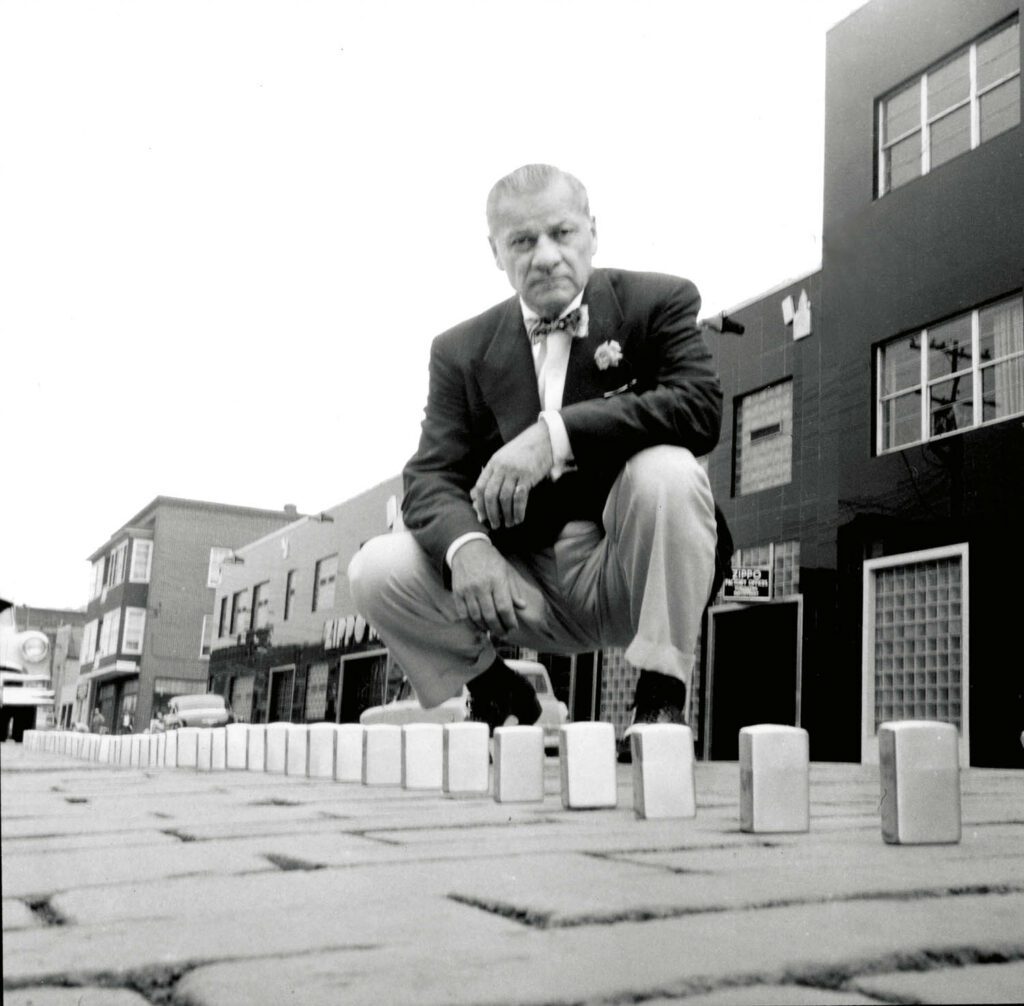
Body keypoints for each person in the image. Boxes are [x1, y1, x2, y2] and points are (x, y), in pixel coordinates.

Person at [349, 163, 726, 749]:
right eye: (522, 241)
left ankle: (660, 698)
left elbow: (698, 409)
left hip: (625, 569)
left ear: (592, 232)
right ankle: (496, 687)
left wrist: (555, 433)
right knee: (377, 567)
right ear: (495, 252)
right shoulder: (459, 350)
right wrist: (468, 548)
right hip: (516, 584)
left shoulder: (658, 301)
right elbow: (429, 475)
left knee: (669, 470)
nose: (546, 255)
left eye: (562, 233)